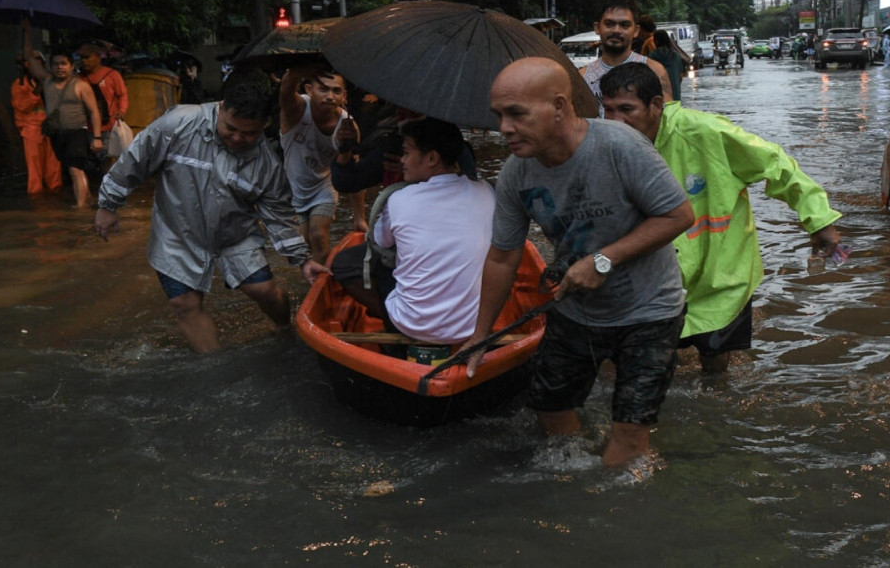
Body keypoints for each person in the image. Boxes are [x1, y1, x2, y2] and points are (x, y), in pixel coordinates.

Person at [471, 57, 694, 467]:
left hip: (650, 311)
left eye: (516, 114)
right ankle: (573, 475)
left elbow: (679, 216)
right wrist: (479, 336)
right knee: (549, 407)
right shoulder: (516, 174)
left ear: (559, 106)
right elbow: (503, 257)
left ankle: (609, 510)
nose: (503, 128)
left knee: (627, 437)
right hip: (576, 310)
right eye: (499, 115)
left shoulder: (620, 146)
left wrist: (603, 261)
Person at [600, 62, 843, 373]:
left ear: (656, 105)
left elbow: (776, 164)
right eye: (608, 110)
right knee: (650, 367)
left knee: (715, 362)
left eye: (626, 109)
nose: (615, 121)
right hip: (655, 278)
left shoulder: (706, 132)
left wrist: (819, 221)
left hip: (721, 275)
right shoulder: (609, 146)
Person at [92, 79, 330, 353]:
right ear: (220, 108)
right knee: (184, 304)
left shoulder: (267, 164)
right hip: (176, 232)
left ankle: (284, 327)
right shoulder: (178, 124)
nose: (238, 138)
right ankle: (214, 365)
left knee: (264, 292)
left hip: (235, 234)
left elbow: (279, 215)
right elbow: (135, 160)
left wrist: (302, 260)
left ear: (264, 126)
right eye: (231, 128)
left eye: (249, 133)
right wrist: (108, 205)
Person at [333, 118, 493, 346]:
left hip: (411, 325)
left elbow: (380, 242)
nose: (402, 160)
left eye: (406, 153)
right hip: (473, 326)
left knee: (366, 261)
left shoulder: (398, 199)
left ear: (432, 158)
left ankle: (390, 320)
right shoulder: (486, 191)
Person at [278, 65, 367, 263]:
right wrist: (297, 67)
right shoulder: (297, 109)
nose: (330, 96)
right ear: (309, 89)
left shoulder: (347, 126)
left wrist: (359, 216)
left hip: (323, 186)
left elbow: (353, 173)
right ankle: (314, 279)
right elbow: (285, 92)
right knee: (303, 242)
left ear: (344, 95)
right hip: (291, 188)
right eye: (324, 89)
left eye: (336, 91)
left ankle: (322, 285)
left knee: (318, 235)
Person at [23, 20, 103, 208]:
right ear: (51, 66)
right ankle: (88, 198)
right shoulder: (47, 80)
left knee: (75, 169)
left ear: (71, 65)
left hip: (77, 132)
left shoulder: (80, 86)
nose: (60, 67)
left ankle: (80, 207)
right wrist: (26, 31)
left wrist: (97, 137)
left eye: (64, 64)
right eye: (56, 64)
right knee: (73, 169)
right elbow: (29, 55)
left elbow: (94, 111)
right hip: (57, 133)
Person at [579, 0, 672, 114]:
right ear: (597, 28)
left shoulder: (655, 71)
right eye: (609, 24)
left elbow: (667, 121)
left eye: (624, 25)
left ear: (636, 31)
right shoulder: (583, 78)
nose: (616, 30)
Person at [10, 54, 63, 195]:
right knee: (35, 169)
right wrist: (36, 91)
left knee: (54, 167)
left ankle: (55, 197)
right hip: (31, 130)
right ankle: (37, 199)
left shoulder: (51, 83)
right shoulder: (19, 84)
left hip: (51, 129)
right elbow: (21, 106)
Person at [76, 41, 129, 148]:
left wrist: (122, 110)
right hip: (85, 127)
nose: (84, 61)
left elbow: (122, 94)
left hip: (109, 126)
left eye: (87, 57)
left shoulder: (112, 74)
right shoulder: (78, 78)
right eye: (82, 58)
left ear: (98, 57)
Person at [647, 30, 687, 102]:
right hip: (675, 97)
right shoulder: (676, 56)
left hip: (659, 99)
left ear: (655, 41)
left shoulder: (651, 58)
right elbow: (680, 77)